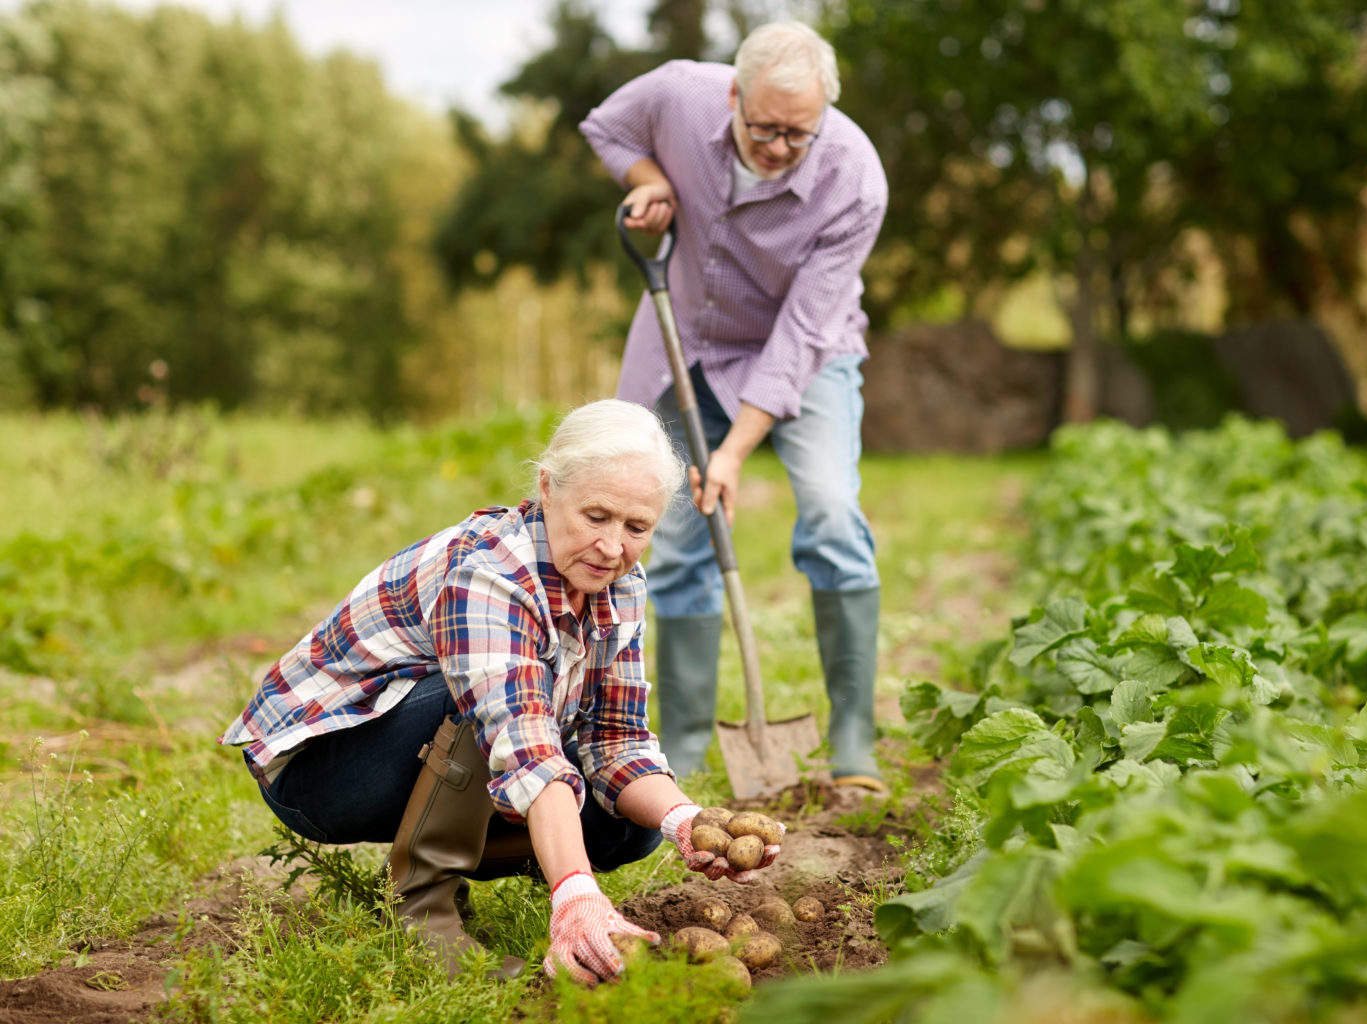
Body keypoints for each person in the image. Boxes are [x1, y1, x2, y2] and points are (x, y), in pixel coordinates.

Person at [220, 399, 781, 984]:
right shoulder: (488, 571)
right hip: (321, 768)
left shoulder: (620, 583)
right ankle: (420, 908)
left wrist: (686, 820)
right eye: (596, 516)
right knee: (478, 703)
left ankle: (461, 859)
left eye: (636, 527)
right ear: (547, 488)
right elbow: (524, 741)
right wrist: (575, 892)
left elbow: (615, 738)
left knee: (632, 827)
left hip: (428, 753)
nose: (613, 547)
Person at [578, 21, 888, 791]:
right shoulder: (681, 92)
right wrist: (648, 179)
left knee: (829, 511)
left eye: (799, 133)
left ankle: (852, 737)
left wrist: (736, 449)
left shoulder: (855, 178)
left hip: (804, 355)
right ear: (733, 96)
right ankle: (676, 746)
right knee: (678, 534)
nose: (780, 146)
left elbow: (803, 332)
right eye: (764, 128)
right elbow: (607, 126)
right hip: (686, 341)